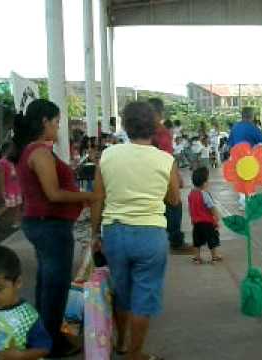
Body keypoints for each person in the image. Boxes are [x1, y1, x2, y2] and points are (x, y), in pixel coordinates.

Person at [91, 101, 180, 360]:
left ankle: (120, 344)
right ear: (153, 127)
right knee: (145, 294)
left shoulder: (108, 155)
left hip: (115, 233)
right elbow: (173, 200)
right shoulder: (165, 160)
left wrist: (95, 234)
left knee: (121, 290)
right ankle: (135, 353)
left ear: (126, 126)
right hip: (150, 234)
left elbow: (98, 197)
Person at [9, 99, 93, 357]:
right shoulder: (40, 152)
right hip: (50, 226)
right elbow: (54, 194)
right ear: (44, 121)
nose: (58, 128)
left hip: (41, 223)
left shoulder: (30, 150)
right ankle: (52, 344)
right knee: (55, 287)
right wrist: (90, 196)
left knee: (46, 283)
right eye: (56, 122)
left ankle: (42, 337)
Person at [149, 97, 188, 252]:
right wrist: (176, 176)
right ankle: (176, 241)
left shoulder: (143, 130)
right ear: (160, 112)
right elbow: (167, 158)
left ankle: (164, 238)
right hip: (163, 174)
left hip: (149, 174)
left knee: (161, 207)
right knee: (174, 204)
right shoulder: (161, 131)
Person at [188, 167, 222, 264]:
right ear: (204, 183)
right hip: (207, 222)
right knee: (212, 239)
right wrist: (217, 216)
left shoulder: (191, 194)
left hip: (196, 222)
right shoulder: (204, 194)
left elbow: (191, 208)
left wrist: (192, 218)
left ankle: (197, 257)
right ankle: (214, 256)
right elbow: (211, 207)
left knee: (197, 240)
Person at [0, 142, 22, 231]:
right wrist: (3, 191)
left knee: (18, 204)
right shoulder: (2, 162)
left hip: (17, 187)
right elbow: (2, 178)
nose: (14, 151)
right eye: (12, 149)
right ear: (7, 150)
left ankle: (16, 221)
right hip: (9, 189)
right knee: (8, 206)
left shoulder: (14, 160)